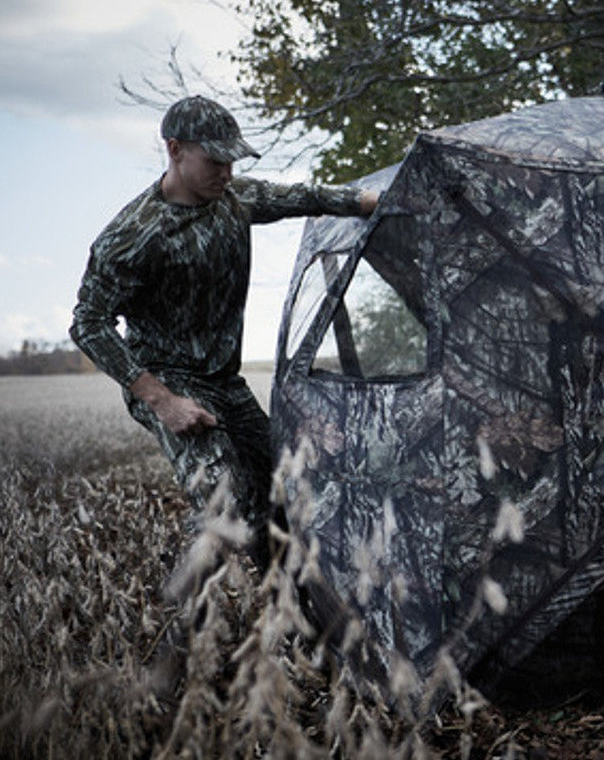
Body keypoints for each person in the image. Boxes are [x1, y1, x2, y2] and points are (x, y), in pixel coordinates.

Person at [70, 94, 380, 569]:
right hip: (169, 381)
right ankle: (199, 616)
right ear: (175, 150)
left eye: (233, 161)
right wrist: (162, 400)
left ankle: (293, 604)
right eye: (215, 161)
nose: (227, 173)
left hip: (226, 383)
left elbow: (305, 196)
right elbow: (88, 324)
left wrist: (372, 201)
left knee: (288, 485)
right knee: (227, 505)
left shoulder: (234, 200)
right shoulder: (131, 237)